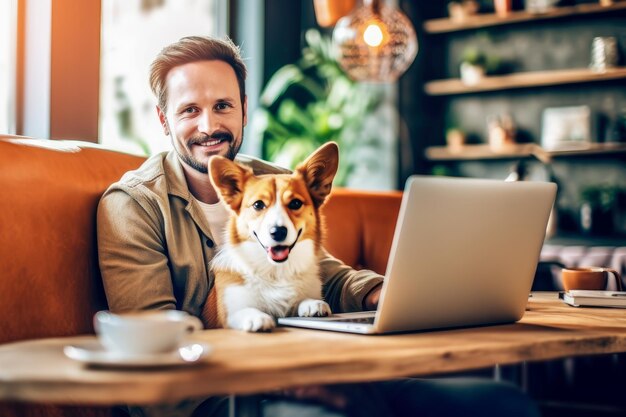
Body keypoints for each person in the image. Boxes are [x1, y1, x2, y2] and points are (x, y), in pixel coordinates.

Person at [97, 36, 540, 417]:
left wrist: (382, 293)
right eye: (189, 109)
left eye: (223, 106)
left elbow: (323, 272)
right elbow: (153, 342)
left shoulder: (273, 178)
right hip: (204, 398)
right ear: (163, 119)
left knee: (500, 403)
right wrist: (282, 379)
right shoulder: (133, 205)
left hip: (311, 369)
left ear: (245, 110)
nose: (209, 125)